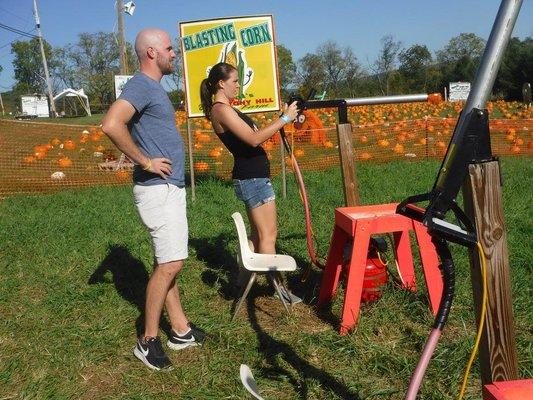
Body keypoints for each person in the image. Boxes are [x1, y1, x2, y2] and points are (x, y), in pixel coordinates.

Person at [102, 28, 202, 371]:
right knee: (172, 264)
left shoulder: (151, 88)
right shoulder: (141, 85)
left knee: (167, 258)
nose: (174, 53)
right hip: (158, 190)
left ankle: (180, 330)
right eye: (169, 48)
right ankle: (148, 341)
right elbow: (111, 124)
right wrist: (144, 161)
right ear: (150, 53)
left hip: (166, 188)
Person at [199, 62, 301, 302]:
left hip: (253, 177)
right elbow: (254, 140)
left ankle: (241, 285)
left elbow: (255, 136)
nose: (238, 86)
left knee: (257, 237)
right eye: (235, 81)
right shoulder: (221, 110)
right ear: (221, 83)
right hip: (252, 179)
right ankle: (280, 291)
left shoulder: (228, 109)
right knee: (269, 235)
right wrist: (285, 119)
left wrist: (278, 120)